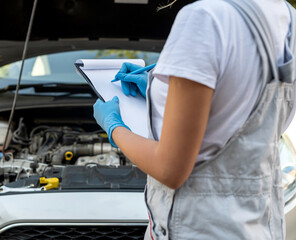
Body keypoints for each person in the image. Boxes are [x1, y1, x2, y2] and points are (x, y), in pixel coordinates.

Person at [93, 0, 296, 239]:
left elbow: (170, 169)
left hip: (198, 227)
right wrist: (157, 88)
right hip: (256, 226)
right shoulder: (288, 17)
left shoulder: (204, 18)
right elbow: (249, 118)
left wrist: (114, 127)